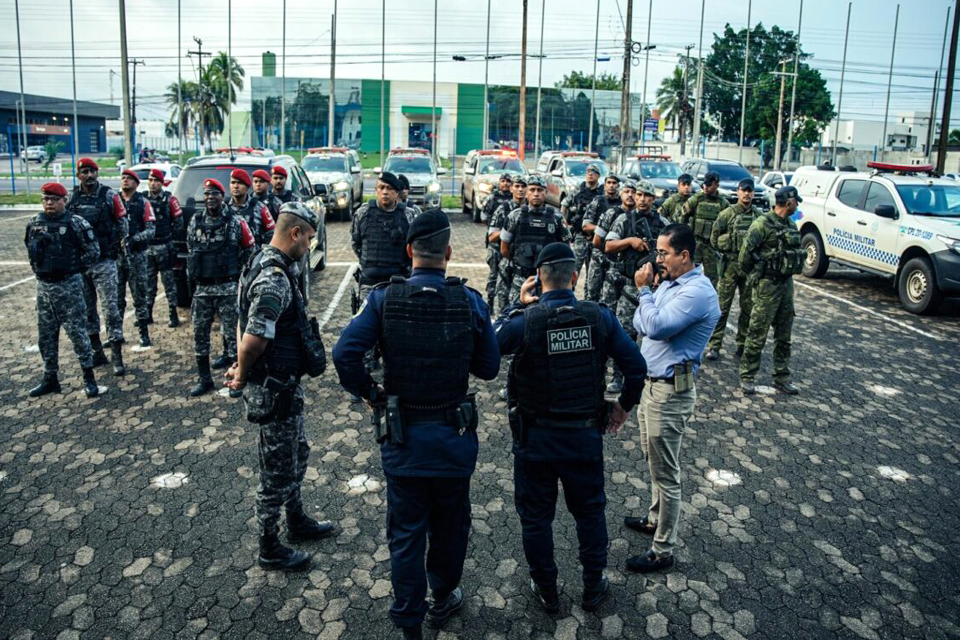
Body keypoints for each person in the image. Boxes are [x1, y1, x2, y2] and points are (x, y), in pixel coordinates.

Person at [333, 210, 501, 640]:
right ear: (448, 252)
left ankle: (410, 621)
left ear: (409, 252)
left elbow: (344, 354)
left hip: (404, 438)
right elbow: (488, 368)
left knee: (406, 533)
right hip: (452, 440)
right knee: (450, 526)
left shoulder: (383, 299)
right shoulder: (470, 301)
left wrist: (372, 395)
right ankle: (442, 597)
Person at [495, 242, 646, 614]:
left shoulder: (525, 320)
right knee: (590, 513)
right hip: (583, 436)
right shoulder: (599, 318)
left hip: (536, 440)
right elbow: (637, 367)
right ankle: (593, 585)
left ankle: (546, 589)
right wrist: (623, 407)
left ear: (538, 280)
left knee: (536, 518)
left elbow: (489, 343)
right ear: (575, 277)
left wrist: (519, 303)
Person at [225, 201, 335, 571]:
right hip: (273, 390)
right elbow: (255, 335)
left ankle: (296, 519)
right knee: (276, 470)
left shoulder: (261, 262)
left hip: (284, 385)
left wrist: (241, 364)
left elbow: (246, 322)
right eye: (308, 237)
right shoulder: (274, 277)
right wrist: (241, 372)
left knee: (296, 454)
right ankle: (269, 546)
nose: (310, 244)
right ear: (294, 233)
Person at [626, 224, 720, 573]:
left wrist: (644, 294)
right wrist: (648, 301)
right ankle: (654, 518)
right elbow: (642, 324)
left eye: (663, 253)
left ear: (684, 255)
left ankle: (663, 549)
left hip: (670, 392)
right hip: (651, 386)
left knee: (667, 472)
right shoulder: (668, 284)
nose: (657, 259)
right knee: (654, 460)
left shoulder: (697, 292)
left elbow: (657, 327)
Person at [25, 182, 102, 398]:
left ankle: (89, 378)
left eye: (53, 199)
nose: (49, 203)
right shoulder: (34, 224)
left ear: (63, 201)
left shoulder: (76, 223)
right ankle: (50, 378)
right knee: (46, 336)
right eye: (46, 199)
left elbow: (93, 252)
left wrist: (72, 268)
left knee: (78, 333)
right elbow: (31, 252)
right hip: (44, 289)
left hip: (69, 287)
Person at [186, 178, 256, 397]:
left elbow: (249, 249)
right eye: (206, 194)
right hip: (202, 290)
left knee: (234, 337)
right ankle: (204, 379)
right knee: (200, 336)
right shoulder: (196, 221)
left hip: (227, 287)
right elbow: (191, 247)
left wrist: (240, 279)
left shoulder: (235, 222)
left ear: (221, 196)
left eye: (214, 194)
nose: (210, 198)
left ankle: (238, 377)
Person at [603, 180, 669, 393]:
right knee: (624, 335)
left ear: (653, 199)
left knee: (656, 335)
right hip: (630, 288)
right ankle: (618, 376)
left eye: (647, 196)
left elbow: (672, 253)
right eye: (639, 195)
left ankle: (652, 375)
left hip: (657, 290)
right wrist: (630, 241)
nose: (641, 199)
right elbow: (608, 246)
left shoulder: (663, 223)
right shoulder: (624, 220)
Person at [737, 186, 804, 395]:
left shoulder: (791, 225)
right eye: (796, 202)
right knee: (757, 331)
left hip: (786, 285)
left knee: (784, 335)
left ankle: (782, 377)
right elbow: (744, 257)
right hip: (767, 286)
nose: (798, 205)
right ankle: (747, 375)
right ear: (789, 202)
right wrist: (757, 275)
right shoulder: (761, 225)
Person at [66, 157, 129, 375]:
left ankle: (117, 356)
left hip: (104, 262)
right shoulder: (71, 198)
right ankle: (96, 352)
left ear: (97, 173)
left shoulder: (109, 196)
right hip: (81, 265)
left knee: (111, 309)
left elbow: (123, 224)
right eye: (84, 172)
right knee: (86, 311)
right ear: (78, 175)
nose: (89, 175)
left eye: (92, 171)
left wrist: (119, 250)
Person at [705, 178, 760, 361]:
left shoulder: (758, 217)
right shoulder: (727, 214)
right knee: (721, 308)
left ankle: (742, 344)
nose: (747, 194)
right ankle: (714, 345)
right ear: (738, 192)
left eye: (750, 191)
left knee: (747, 308)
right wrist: (726, 244)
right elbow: (714, 239)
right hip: (729, 266)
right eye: (743, 190)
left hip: (748, 268)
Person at [499, 174, 571, 302]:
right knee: (517, 314)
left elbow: (566, 248)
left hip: (548, 280)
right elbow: (504, 248)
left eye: (540, 190)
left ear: (546, 193)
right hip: (521, 278)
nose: (536, 194)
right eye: (532, 190)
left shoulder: (556, 217)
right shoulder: (515, 216)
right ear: (527, 193)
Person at [116, 169, 157, 348]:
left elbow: (151, 230)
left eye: (129, 179)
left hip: (137, 257)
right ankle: (116, 334)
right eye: (123, 178)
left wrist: (134, 239)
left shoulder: (143, 202)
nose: (125, 181)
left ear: (136, 183)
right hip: (116, 258)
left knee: (139, 296)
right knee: (115, 299)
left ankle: (143, 333)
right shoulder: (114, 200)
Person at [144, 168, 184, 328]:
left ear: (162, 183)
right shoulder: (143, 200)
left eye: (156, 181)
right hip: (148, 247)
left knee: (169, 282)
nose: (153, 184)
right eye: (151, 180)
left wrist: (170, 239)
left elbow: (179, 222)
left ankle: (173, 314)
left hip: (164, 246)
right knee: (148, 283)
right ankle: (148, 313)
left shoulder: (169, 200)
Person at [679, 171, 725, 288]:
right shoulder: (696, 199)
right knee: (689, 275)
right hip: (696, 244)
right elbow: (682, 217)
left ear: (717, 185)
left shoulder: (722, 203)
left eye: (709, 185)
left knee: (712, 278)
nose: (705, 187)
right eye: (704, 184)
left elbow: (728, 223)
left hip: (711, 246)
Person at [582, 174, 622, 302]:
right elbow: (586, 225)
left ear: (618, 186)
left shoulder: (622, 204)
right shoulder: (598, 201)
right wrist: (603, 230)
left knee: (610, 293)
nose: (611, 185)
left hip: (615, 254)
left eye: (614, 183)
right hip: (598, 250)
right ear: (604, 185)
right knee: (592, 289)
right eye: (609, 182)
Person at [562, 163, 603, 285]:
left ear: (598, 176)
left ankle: (588, 297)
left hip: (595, 238)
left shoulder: (602, 193)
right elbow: (564, 205)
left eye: (594, 172)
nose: (590, 174)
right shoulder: (578, 190)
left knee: (593, 272)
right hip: (580, 236)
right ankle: (570, 290)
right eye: (588, 172)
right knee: (574, 268)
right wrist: (564, 223)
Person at [491, 174, 527, 313]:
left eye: (523, 186)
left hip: (525, 262)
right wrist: (508, 232)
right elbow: (491, 236)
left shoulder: (532, 212)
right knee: (503, 300)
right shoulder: (503, 209)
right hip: (506, 259)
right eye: (517, 186)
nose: (520, 190)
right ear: (512, 189)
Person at [482, 173, 515, 309]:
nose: (506, 184)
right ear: (499, 183)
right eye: (503, 181)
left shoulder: (517, 199)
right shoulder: (492, 198)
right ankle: (490, 300)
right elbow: (484, 217)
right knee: (494, 274)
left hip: (509, 245)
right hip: (495, 245)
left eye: (508, 181)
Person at [226, 168, 276, 248]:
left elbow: (272, 235)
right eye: (233, 183)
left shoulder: (260, 208)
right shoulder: (224, 207)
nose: (235, 186)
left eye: (240, 183)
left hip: (253, 256)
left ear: (247, 186)